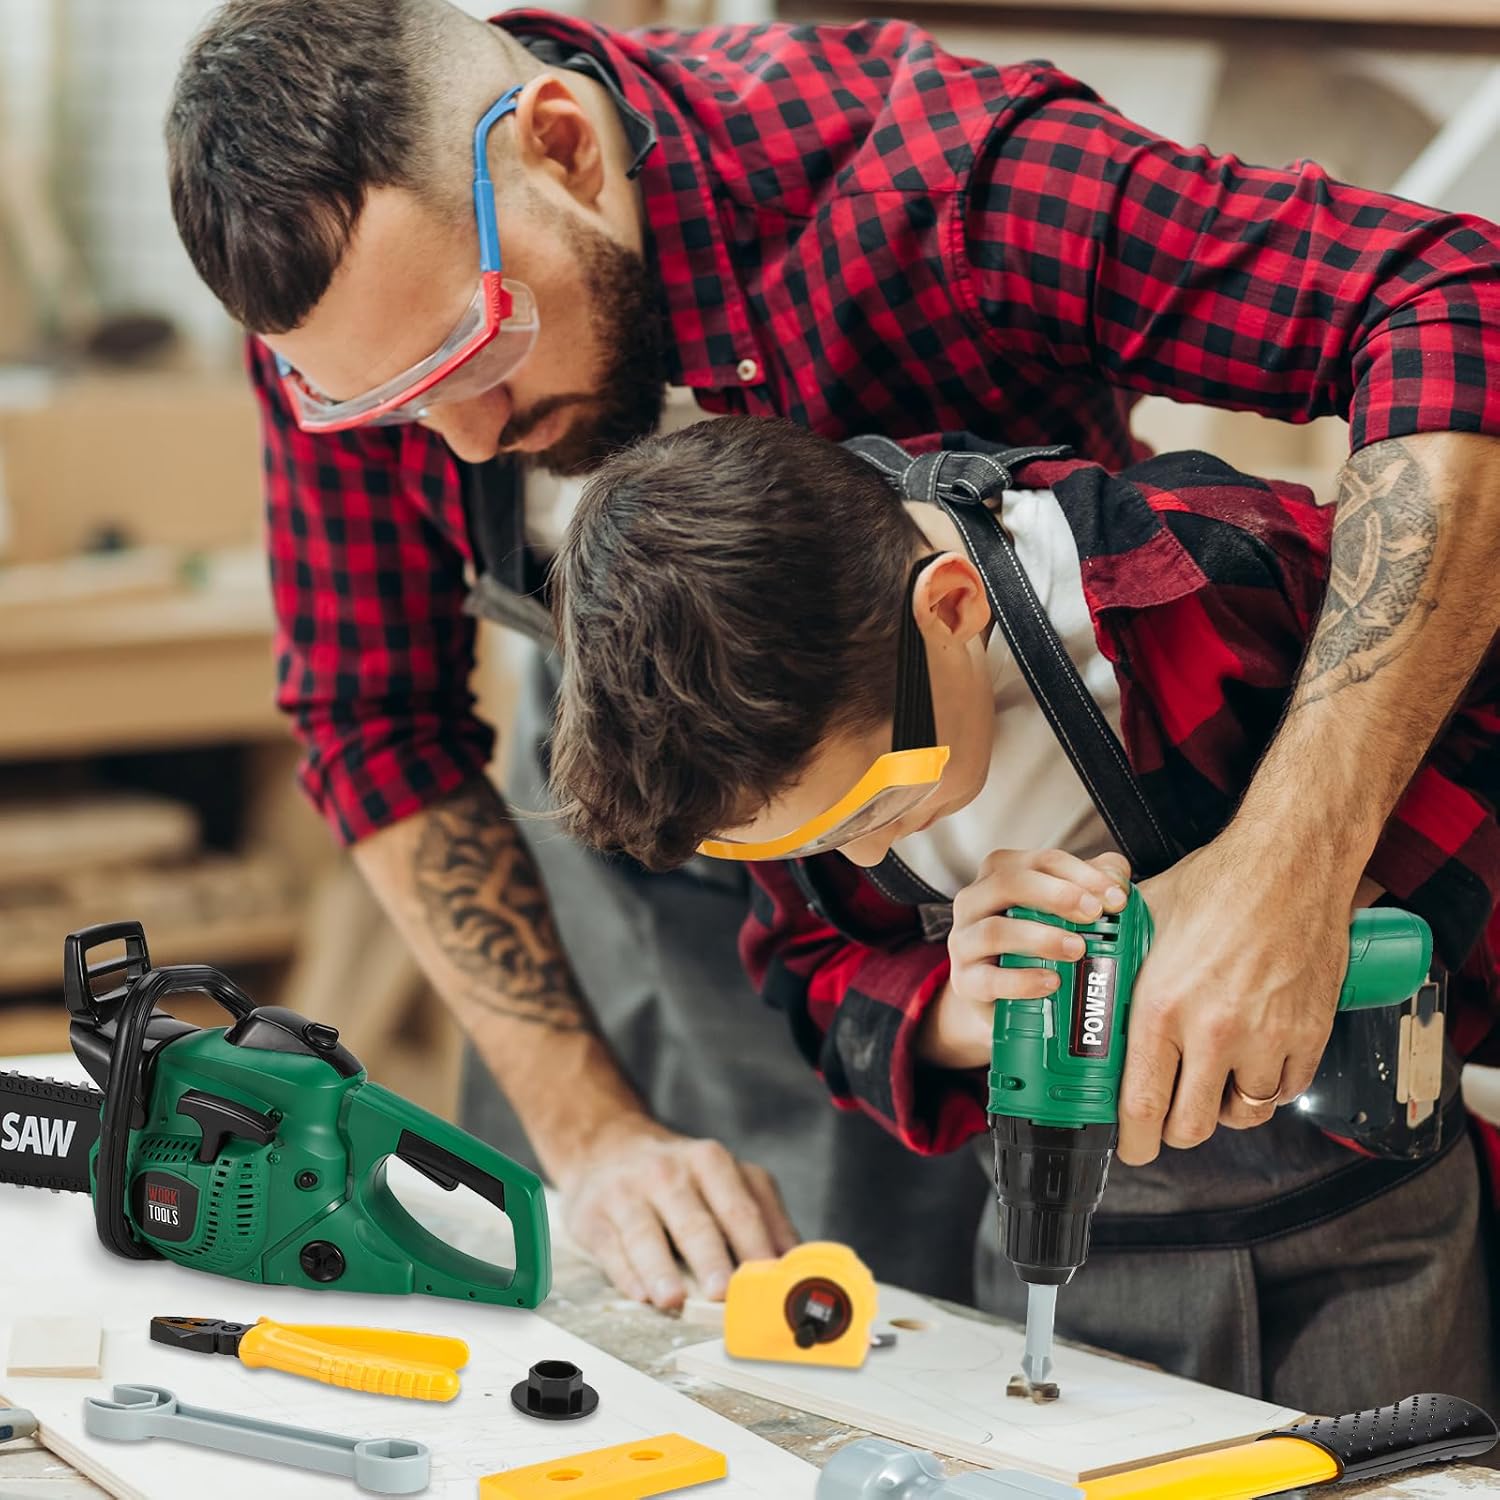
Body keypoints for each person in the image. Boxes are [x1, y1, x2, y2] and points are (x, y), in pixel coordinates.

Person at [164, 0, 1500, 1309]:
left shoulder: (931, 174)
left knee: (921, 1338)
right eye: (388, 405)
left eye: (479, 347)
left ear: (563, 146)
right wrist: (591, 1134)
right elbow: (370, 717)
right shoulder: (359, 315)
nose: (460, 439)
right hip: (668, 897)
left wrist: (1285, 868)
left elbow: (1451, 302)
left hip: (977, 860)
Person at [545, 415, 1499, 1412]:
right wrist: (967, 1011)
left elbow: (1471, 701)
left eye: (876, 804)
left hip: (1364, 1229)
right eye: (818, 842)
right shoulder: (770, 743)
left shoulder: (1193, 571)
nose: (865, 856)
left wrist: (1302, 906)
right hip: (1058, 1244)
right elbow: (814, 975)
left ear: (950, 609)